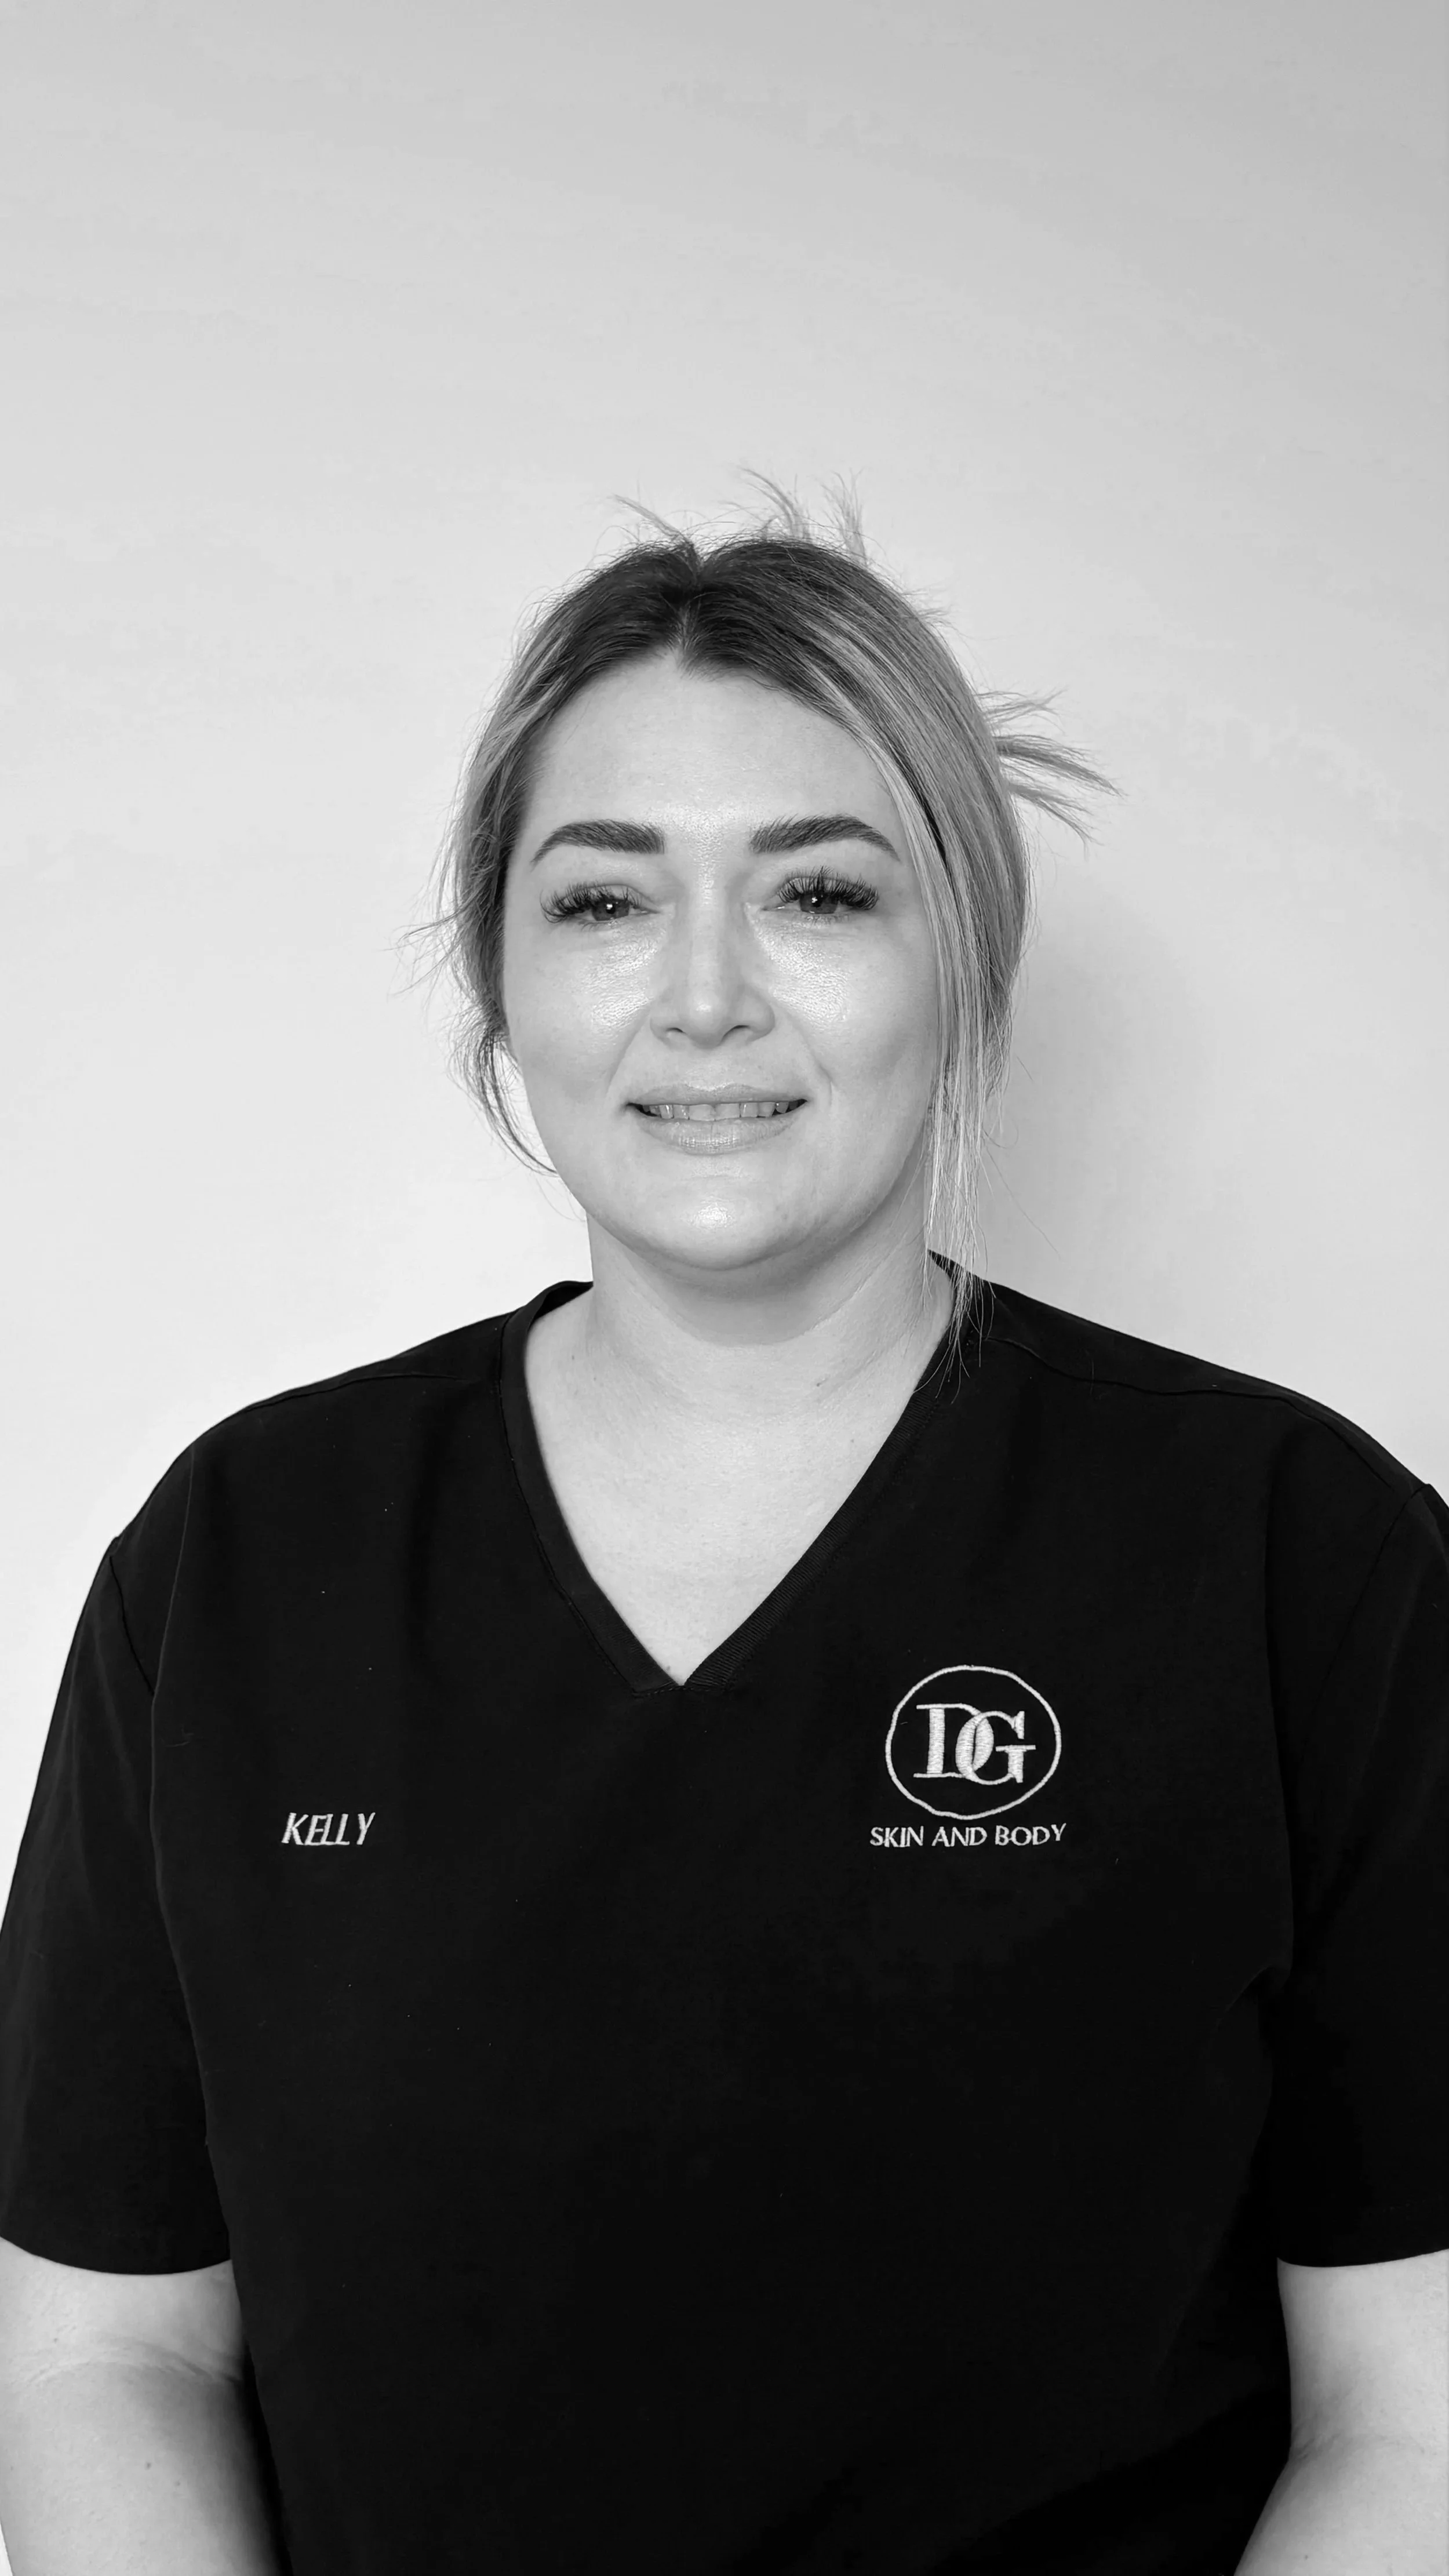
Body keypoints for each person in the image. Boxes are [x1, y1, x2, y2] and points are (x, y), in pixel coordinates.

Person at [0, 483, 1443, 2576]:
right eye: (601, 901)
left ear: (962, 944)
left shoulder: (1298, 1561)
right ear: (497, 969)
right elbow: (104, 2357)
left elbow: (1410, 2412)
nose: (701, 999)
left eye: (818, 894)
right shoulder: (238, 1561)